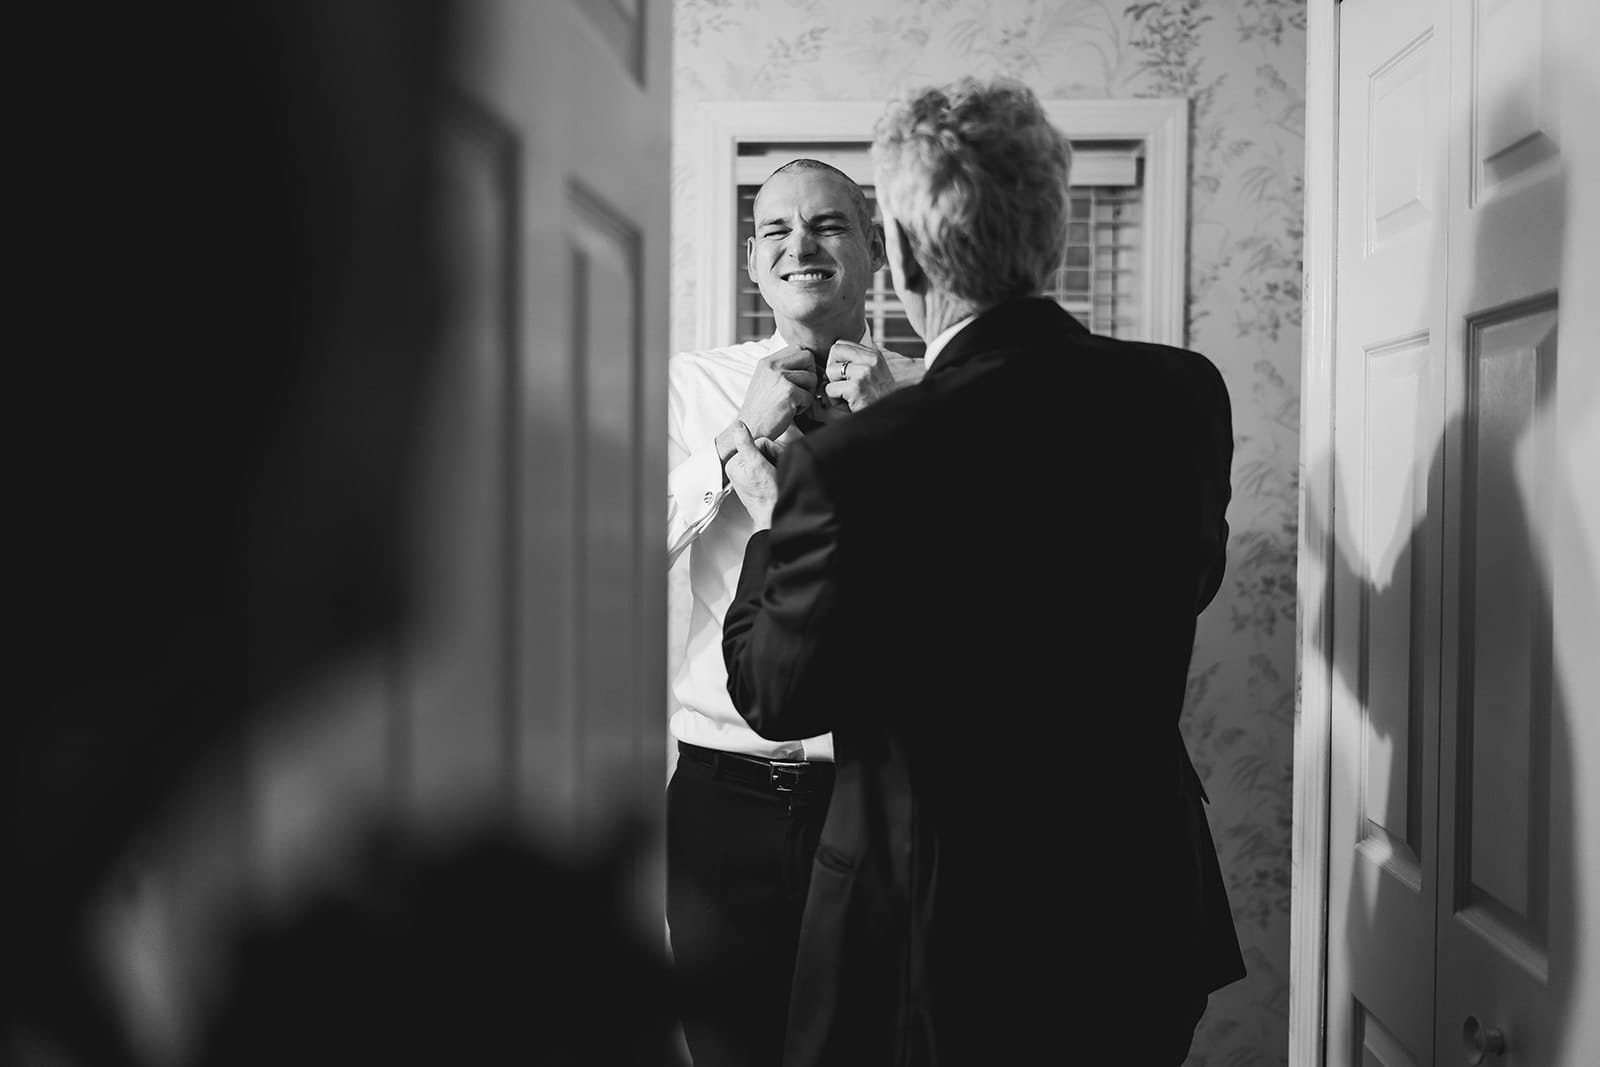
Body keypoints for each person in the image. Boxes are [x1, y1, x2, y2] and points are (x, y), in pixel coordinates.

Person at [720, 78, 1247, 1066]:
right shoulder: (1183, 393)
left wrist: (770, 517)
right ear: (1050, 234)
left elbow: (779, 690)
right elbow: (1187, 582)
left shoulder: (858, 458)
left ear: (905, 254)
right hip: (1137, 918)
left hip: (938, 943)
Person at [665, 158, 921, 1066]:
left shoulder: (927, 396)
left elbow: (974, 576)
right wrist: (739, 439)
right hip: (723, 803)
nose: (800, 246)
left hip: (884, 799)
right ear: (751, 262)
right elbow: (611, 549)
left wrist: (899, 433)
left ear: (875, 252)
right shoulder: (689, 389)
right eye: (776, 230)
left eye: (828, 225)